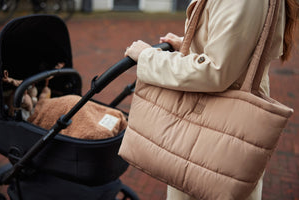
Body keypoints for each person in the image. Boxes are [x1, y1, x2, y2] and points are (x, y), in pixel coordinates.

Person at [124, 0, 299, 199]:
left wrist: (149, 58)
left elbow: (216, 72)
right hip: (219, 124)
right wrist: (192, 44)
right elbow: (239, 48)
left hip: (219, 125)